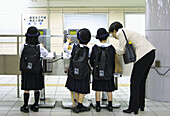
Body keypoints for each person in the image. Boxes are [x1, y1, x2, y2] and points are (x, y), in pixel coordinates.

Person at [109, 21, 156, 114]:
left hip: (143, 55)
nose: (114, 36)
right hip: (150, 53)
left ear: (114, 31)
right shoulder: (127, 31)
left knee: (134, 82)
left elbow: (121, 50)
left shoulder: (120, 32)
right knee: (141, 81)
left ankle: (133, 108)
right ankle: (140, 105)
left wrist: (112, 50)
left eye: (112, 34)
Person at [20, 26, 48, 113]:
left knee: (26, 88)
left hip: (27, 70)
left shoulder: (24, 46)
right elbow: (46, 54)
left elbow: (20, 55)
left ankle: (25, 106)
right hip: (36, 70)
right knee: (37, 87)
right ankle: (35, 105)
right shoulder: (39, 46)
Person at [90, 28, 118, 112]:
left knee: (98, 89)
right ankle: (110, 105)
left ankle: (98, 106)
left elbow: (91, 61)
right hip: (108, 72)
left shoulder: (95, 47)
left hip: (97, 72)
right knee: (109, 89)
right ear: (106, 37)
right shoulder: (111, 48)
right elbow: (113, 61)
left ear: (98, 38)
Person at [65, 28, 91, 113]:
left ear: (78, 39)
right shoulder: (88, 50)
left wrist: (68, 41)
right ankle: (80, 105)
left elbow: (66, 48)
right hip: (84, 72)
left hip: (73, 71)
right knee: (82, 88)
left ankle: (76, 106)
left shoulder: (73, 47)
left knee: (75, 87)